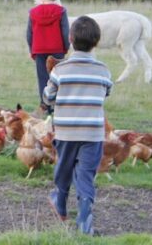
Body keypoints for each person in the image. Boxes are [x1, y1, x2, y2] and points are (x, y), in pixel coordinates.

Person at [44, 15, 113, 235]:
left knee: (63, 168)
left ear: (70, 39)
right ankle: (84, 218)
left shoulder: (60, 70)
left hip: (65, 132)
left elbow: (48, 97)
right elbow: (106, 93)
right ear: (97, 42)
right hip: (92, 134)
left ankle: (60, 202)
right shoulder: (104, 70)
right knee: (85, 175)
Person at [27, 0, 69, 113]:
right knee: (57, 77)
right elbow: (65, 31)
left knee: (43, 77)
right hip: (57, 49)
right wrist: (65, 47)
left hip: (39, 49)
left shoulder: (33, 12)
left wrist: (31, 49)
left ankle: (45, 104)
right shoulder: (61, 11)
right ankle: (58, 103)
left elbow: (29, 34)